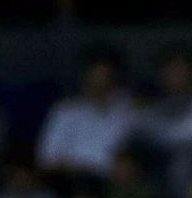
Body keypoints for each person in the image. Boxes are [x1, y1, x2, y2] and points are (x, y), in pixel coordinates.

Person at [134, 48, 192, 198]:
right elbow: (136, 127)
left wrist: (158, 134)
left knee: (183, 160)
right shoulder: (154, 106)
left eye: (179, 69)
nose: (174, 75)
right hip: (159, 171)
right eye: (168, 70)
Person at [37, 51, 134, 187]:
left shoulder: (127, 110)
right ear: (85, 77)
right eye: (96, 76)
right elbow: (47, 160)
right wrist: (81, 170)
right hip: (75, 183)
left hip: (117, 184)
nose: (101, 82)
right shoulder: (66, 111)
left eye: (106, 76)